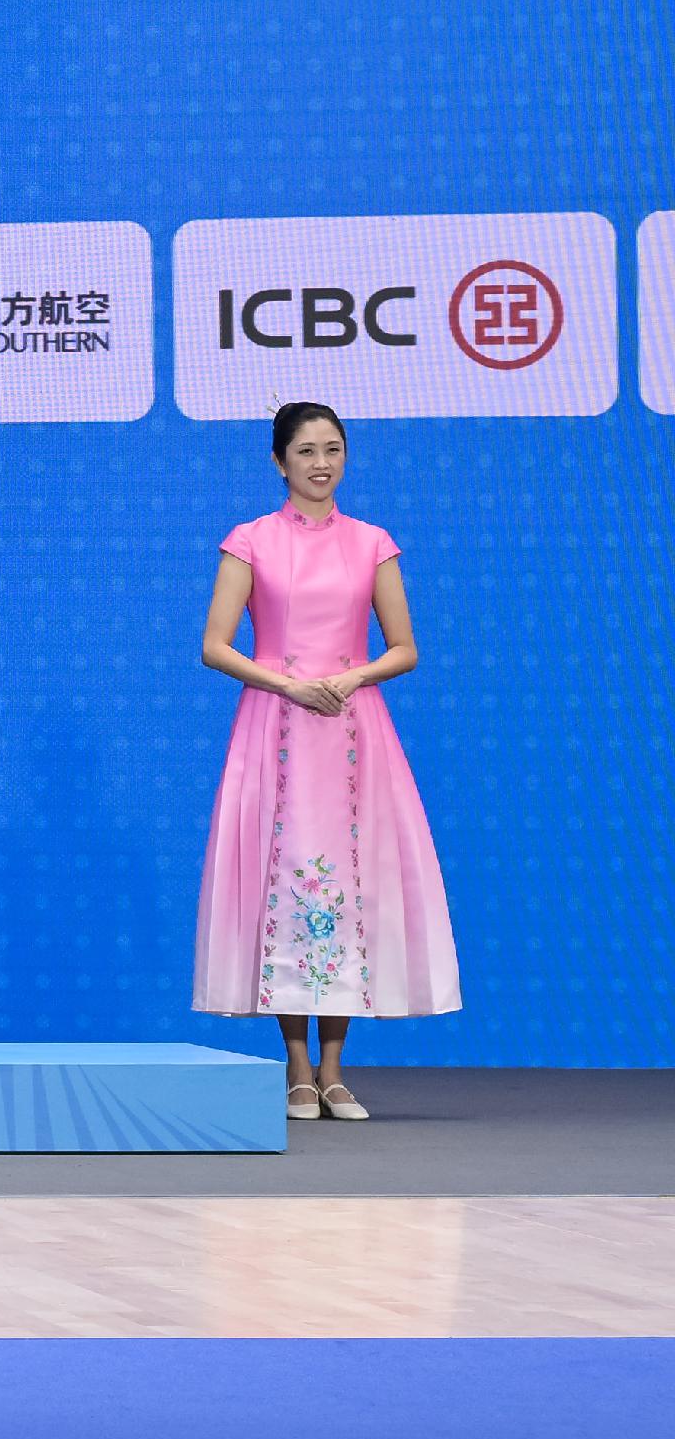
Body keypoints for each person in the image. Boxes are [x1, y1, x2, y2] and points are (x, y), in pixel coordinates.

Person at [193, 402, 458, 1120]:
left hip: (351, 730)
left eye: (332, 449)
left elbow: (404, 647)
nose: (320, 463)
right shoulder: (250, 541)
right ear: (279, 462)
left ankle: (335, 1072)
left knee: (348, 886)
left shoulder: (372, 542)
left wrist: (353, 677)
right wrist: (288, 683)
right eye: (305, 451)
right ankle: (296, 1068)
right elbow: (217, 644)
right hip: (276, 727)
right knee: (288, 886)